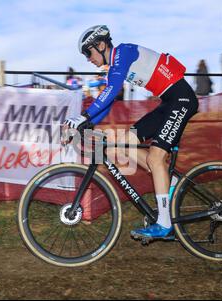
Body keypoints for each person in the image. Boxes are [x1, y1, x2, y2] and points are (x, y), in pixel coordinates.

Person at [63, 25, 199, 239]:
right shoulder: (116, 63)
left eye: (88, 53)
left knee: (155, 158)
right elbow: (107, 102)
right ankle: (169, 181)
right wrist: (86, 121)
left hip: (181, 99)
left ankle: (164, 224)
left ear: (100, 45)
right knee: (127, 143)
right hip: (169, 101)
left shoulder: (123, 52)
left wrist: (84, 116)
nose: (88, 59)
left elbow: (112, 90)